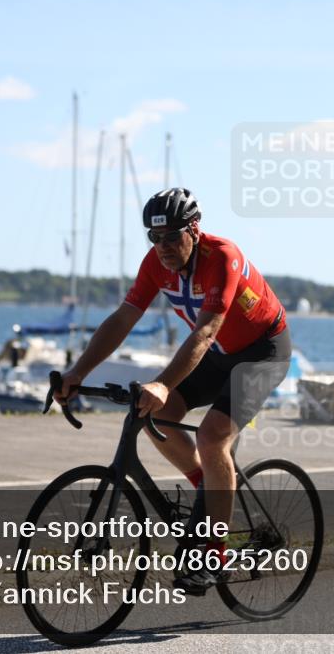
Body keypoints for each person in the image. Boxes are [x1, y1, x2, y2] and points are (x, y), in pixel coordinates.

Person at [54, 187, 291, 594]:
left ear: (194, 230)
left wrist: (164, 383)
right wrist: (77, 371)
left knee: (212, 435)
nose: (162, 247)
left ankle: (215, 553)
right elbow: (124, 318)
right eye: (153, 237)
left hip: (262, 352)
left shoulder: (223, 258)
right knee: (152, 416)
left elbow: (204, 332)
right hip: (219, 353)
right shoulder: (155, 264)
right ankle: (210, 486)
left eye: (170, 237)